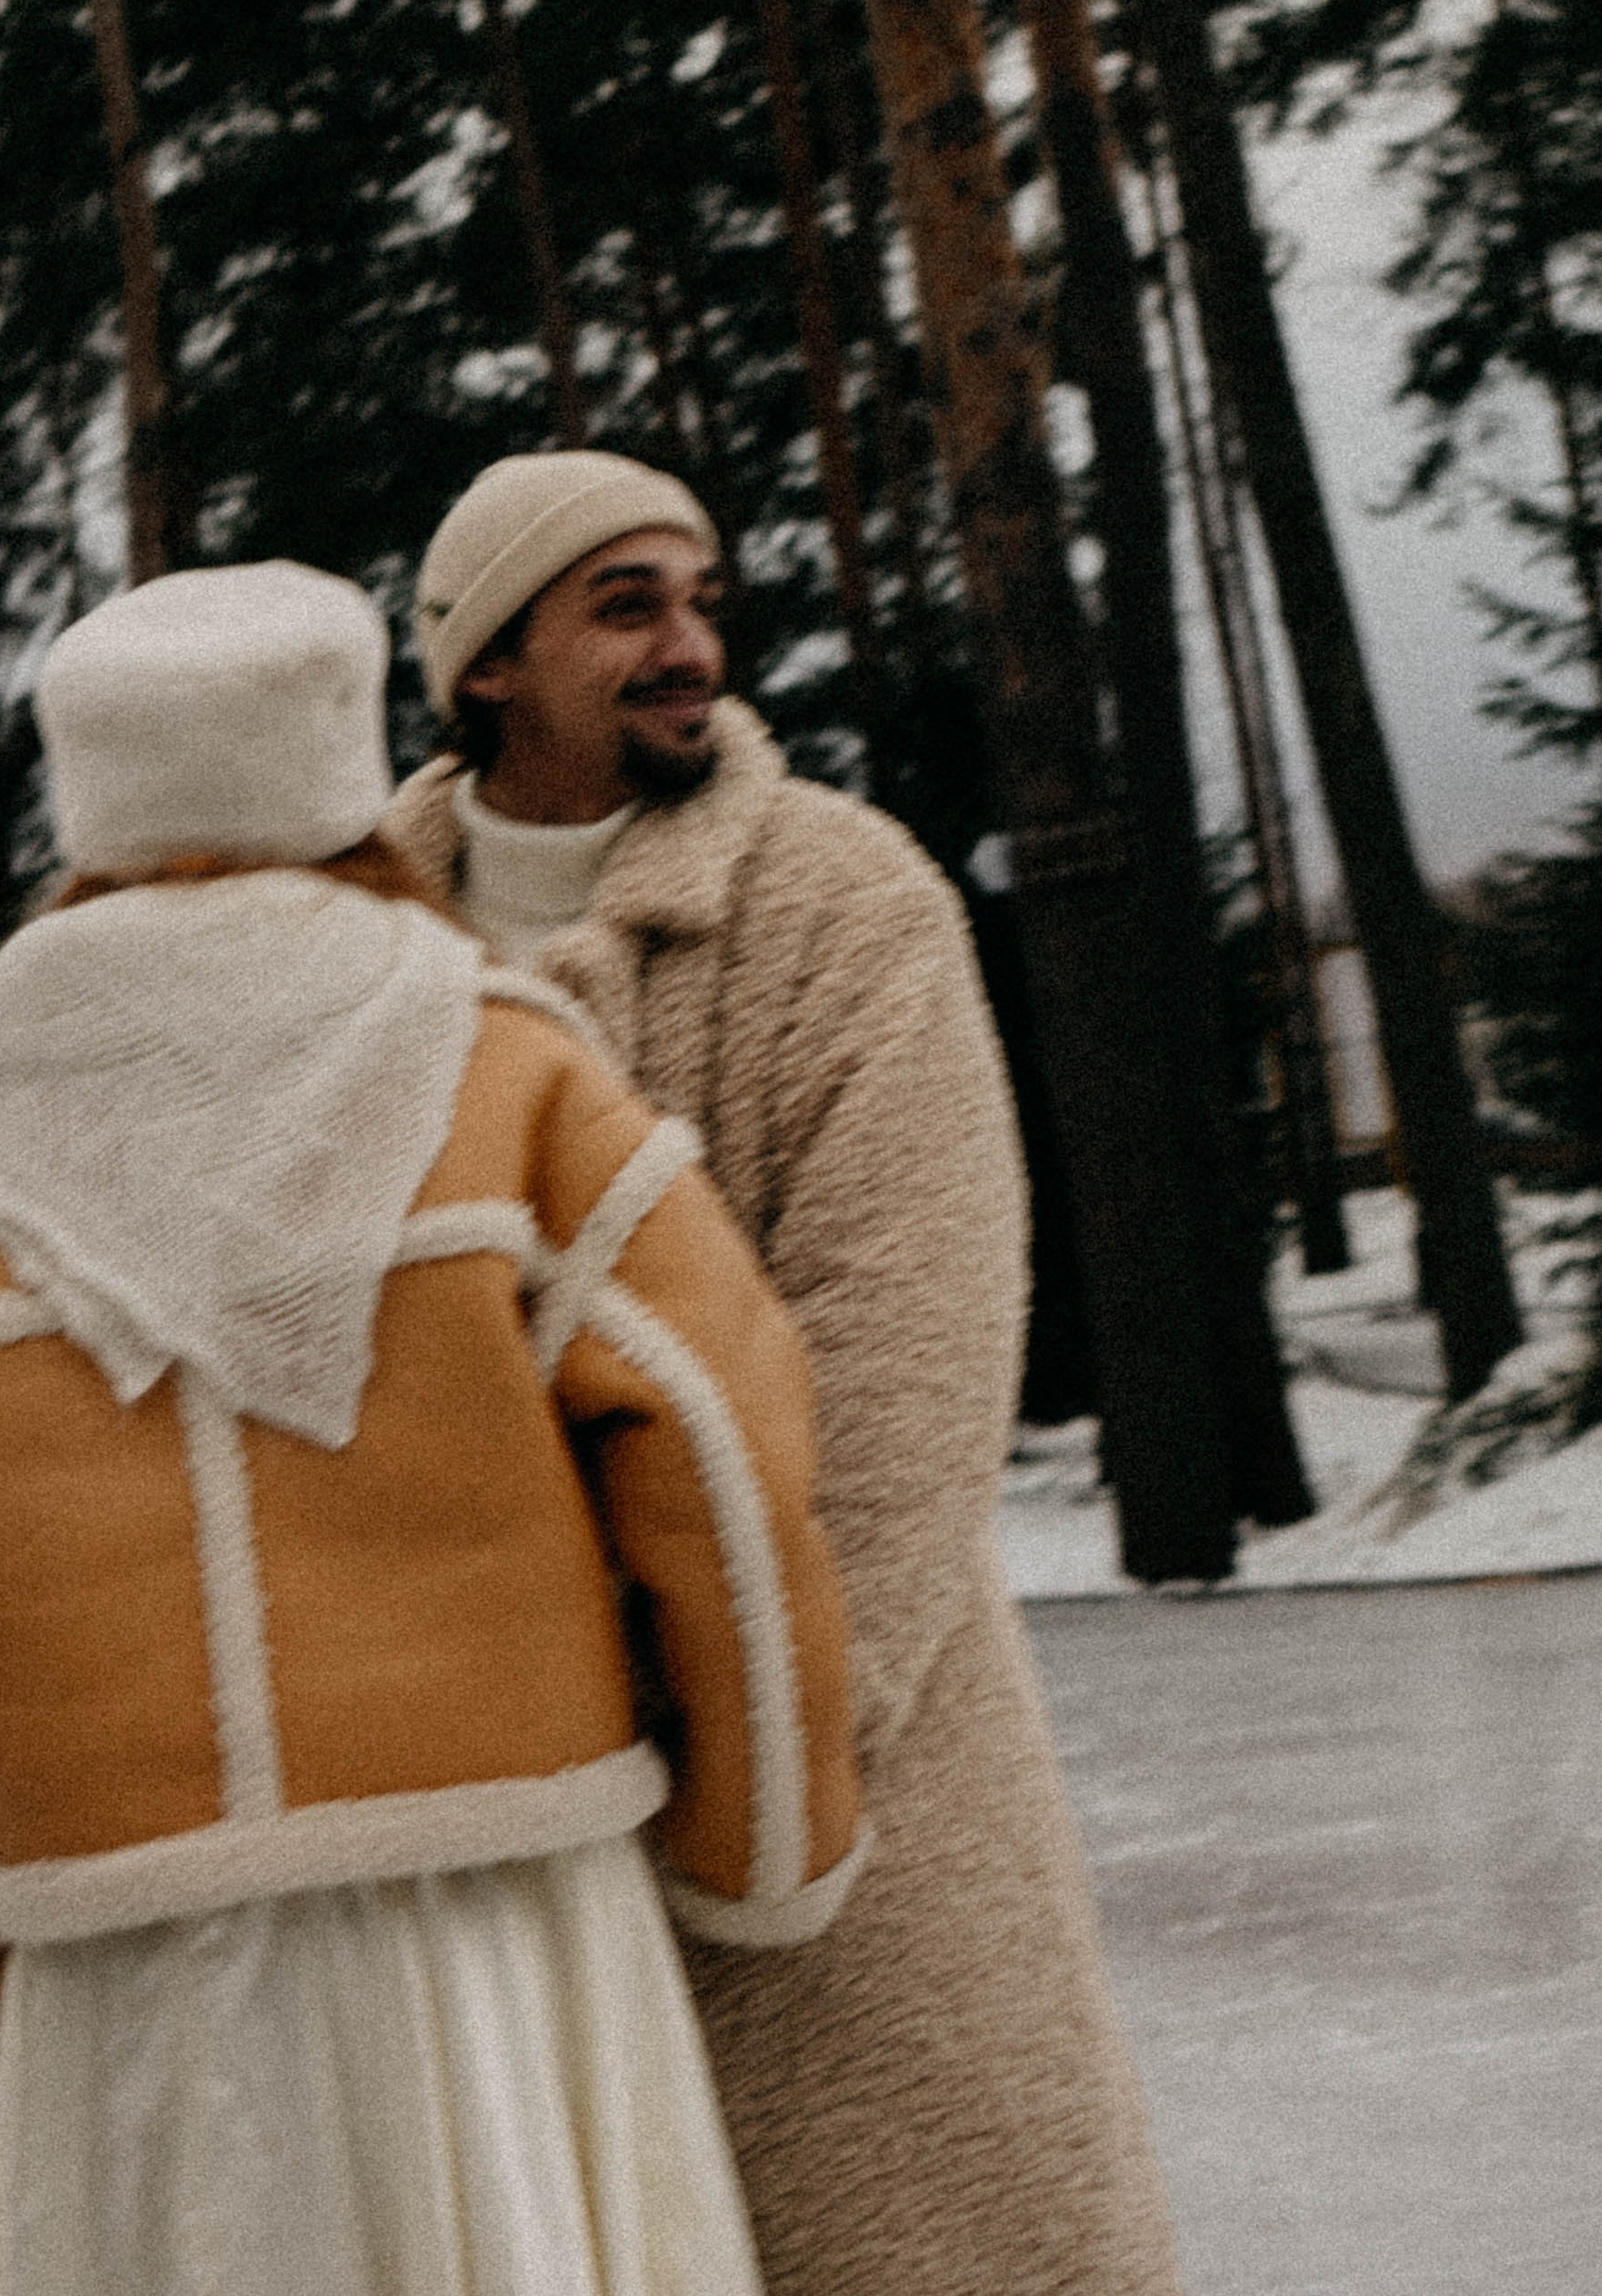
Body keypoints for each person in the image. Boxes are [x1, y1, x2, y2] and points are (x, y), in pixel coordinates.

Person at [0, 558, 863, 2296]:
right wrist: (761, 1848)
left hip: (121, 1986)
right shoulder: (510, 1067)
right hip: (498, 1937)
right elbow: (720, 1451)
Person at [390, 453, 1185, 2296]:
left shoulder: (843, 899)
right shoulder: (359, 952)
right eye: (626, 608)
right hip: (481, 1815)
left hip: (841, 1803)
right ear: (485, 664)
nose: (691, 646)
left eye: (702, 601)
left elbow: (909, 1368)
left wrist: (764, 1759)